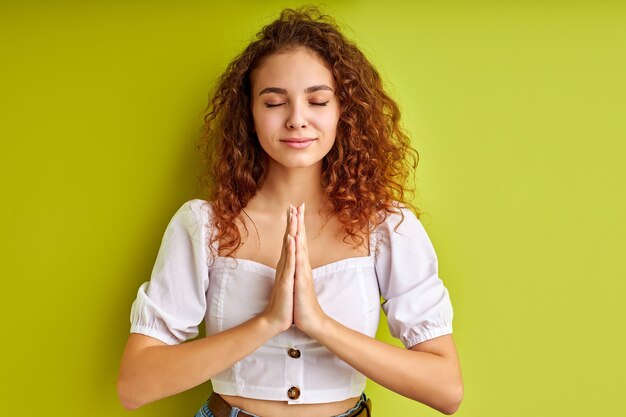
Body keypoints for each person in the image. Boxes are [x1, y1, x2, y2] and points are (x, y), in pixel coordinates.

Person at [117, 6, 463, 417]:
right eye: (275, 103)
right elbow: (135, 386)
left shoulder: (388, 227)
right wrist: (267, 322)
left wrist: (318, 323)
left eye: (317, 100)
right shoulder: (203, 225)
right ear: (249, 114)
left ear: (343, 111)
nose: (297, 120)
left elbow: (446, 390)